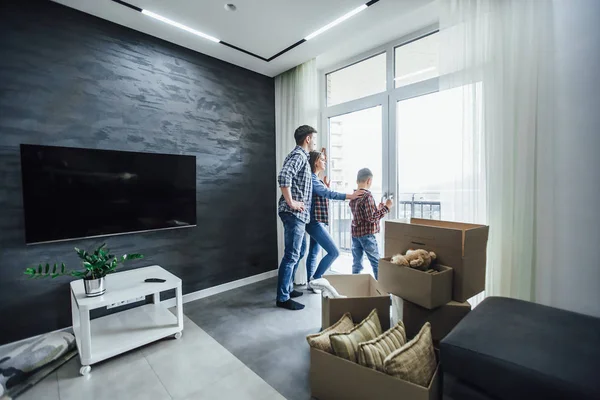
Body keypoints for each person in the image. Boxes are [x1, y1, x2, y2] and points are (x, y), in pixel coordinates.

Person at [305, 150, 364, 292]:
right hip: (314, 222)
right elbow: (327, 194)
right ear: (315, 162)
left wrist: (326, 186)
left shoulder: (316, 180)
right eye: (322, 160)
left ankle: (310, 283)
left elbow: (323, 193)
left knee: (313, 251)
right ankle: (316, 279)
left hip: (316, 220)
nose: (325, 162)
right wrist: (351, 196)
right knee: (334, 252)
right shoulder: (312, 179)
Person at [276, 125, 317, 311]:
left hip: (299, 214)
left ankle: (289, 287)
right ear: (307, 138)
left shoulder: (301, 157)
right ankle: (283, 297)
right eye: (313, 138)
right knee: (292, 254)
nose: (314, 142)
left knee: (300, 251)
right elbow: (284, 176)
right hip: (293, 213)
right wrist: (291, 203)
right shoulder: (299, 156)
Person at [349, 168, 393, 279]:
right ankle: (381, 290)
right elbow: (372, 218)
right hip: (367, 235)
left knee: (357, 263)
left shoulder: (354, 195)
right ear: (369, 181)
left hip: (356, 234)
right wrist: (387, 208)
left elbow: (364, 214)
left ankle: (353, 285)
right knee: (376, 262)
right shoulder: (367, 196)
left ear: (357, 180)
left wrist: (377, 209)